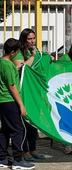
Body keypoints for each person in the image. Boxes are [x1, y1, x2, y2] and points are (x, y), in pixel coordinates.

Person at [11, 28, 45, 161]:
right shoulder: (19, 52)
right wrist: (32, 57)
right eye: (29, 39)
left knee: (32, 123)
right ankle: (24, 152)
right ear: (24, 39)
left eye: (33, 38)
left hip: (31, 93)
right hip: (21, 93)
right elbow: (22, 67)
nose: (32, 41)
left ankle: (33, 150)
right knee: (23, 124)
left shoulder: (33, 50)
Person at [0, 38, 35, 169]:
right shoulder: (8, 66)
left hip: (2, 101)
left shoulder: (2, 63)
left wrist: (16, 68)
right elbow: (12, 86)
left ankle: (2, 158)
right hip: (9, 100)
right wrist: (21, 104)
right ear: (13, 52)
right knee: (19, 130)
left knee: (5, 130)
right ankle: (18, 160)